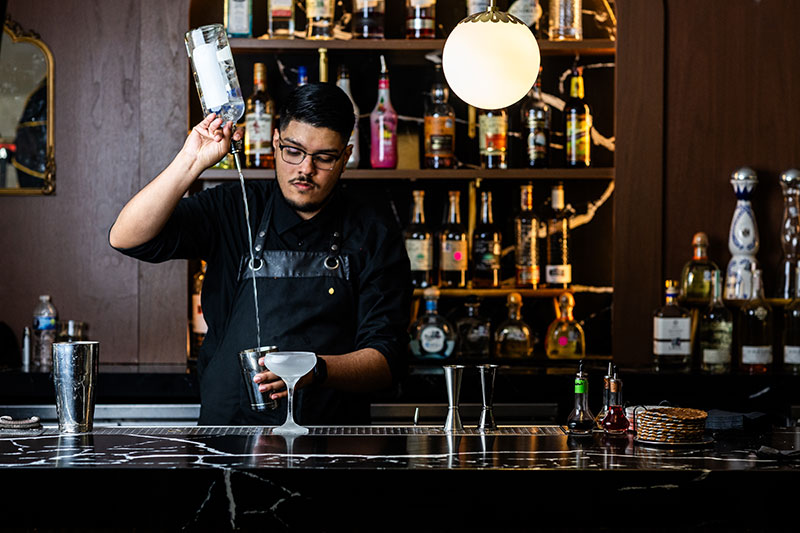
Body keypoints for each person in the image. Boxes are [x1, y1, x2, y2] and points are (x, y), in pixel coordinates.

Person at [110, 83, 411, 425]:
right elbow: (126, 237)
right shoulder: (234, 207)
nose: (305, 169)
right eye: (293, 151)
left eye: (324, 158)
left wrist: (315, 369)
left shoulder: (373, 233)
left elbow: (388, 360)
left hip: (331, 446)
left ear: (345, 157)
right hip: (229, 440)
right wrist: (190, 162)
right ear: (275, 142)